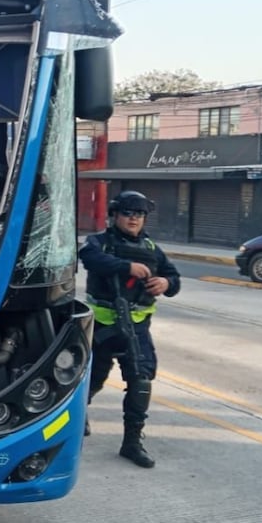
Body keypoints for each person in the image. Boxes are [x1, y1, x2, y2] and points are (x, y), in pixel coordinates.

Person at [78, 190, 180, 468]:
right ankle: (78, 415)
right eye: (128, 213)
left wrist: (165, 284)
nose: (134, 219)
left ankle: (132, 443)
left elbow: (174, 277)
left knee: (141, 382)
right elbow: (89, 259)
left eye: (140, 214)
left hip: (136, 327)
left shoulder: (151, 249)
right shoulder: (99, 242)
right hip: (102, 326)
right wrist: (127, 268)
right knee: (92, 379)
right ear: (114, 215)